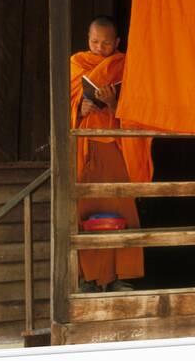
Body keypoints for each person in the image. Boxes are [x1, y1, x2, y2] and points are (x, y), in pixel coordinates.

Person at [70, 16, 151, 292]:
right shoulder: (76, 64)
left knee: (121, 211)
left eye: (106, 43)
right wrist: (79, 109)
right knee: (86, 211)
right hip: (86, 149)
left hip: (115, 149)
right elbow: (64, 104)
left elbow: (139, 107)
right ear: (87, 39)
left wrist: (114, 102)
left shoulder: (126, 66)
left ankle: (119, 276)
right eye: (94, 41)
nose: (99, 47)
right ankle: (89, 278)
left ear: (117, 43)